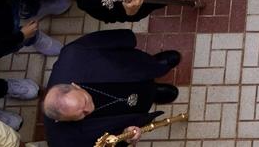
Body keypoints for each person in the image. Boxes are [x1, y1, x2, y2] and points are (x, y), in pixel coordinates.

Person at [40, 31, 181, 147]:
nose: (89, 109)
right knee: (144, 99)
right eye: (81, 115)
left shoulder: (73, 55)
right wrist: (125, 137)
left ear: (74, 85)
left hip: (131, 69)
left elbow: (108, 40)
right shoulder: (64, 143)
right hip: (127, 115)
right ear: (63, 120)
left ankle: (155, 65)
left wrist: (128, 40)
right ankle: (154, 94)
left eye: (84, 101)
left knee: (144, 68)